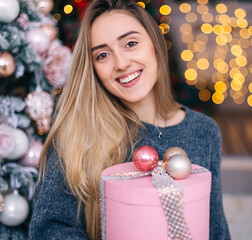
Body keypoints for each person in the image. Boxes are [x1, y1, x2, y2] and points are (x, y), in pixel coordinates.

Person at [29, 0, 230, 239]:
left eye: (131, 43)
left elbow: (215, 229)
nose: (122, 63)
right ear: (93, 68)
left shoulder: (204, 131)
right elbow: (48, 229)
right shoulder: (76, 131)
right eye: (103, 55)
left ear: (155, 44)